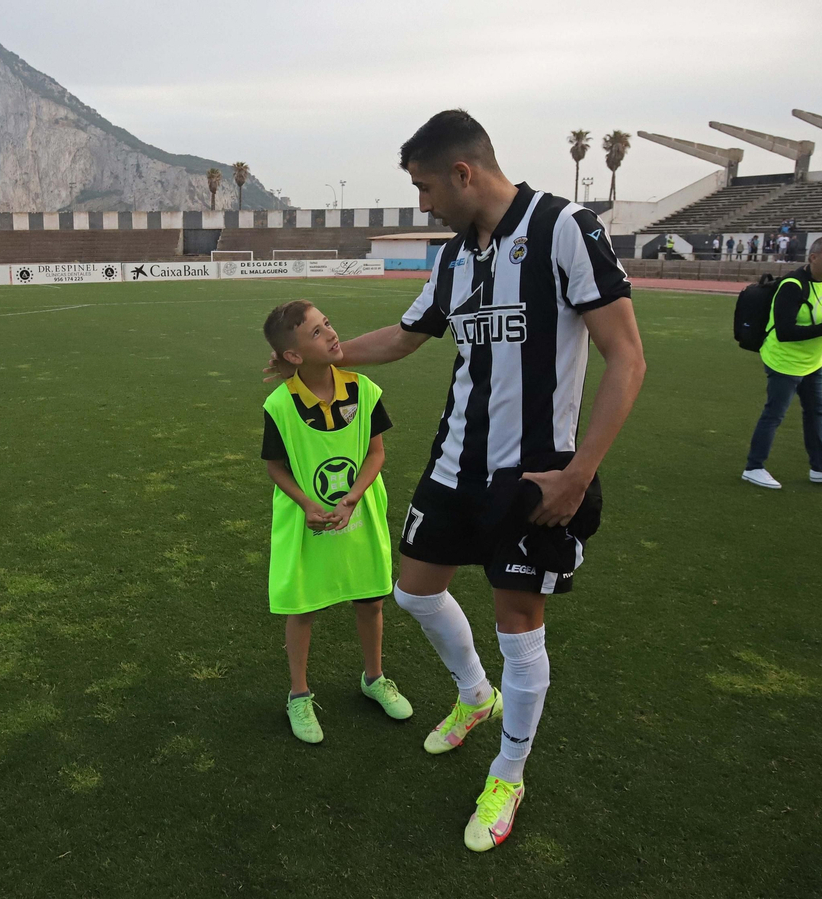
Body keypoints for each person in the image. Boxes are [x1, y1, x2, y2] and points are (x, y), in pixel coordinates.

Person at [268, 109, 645, 852]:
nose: (423, 203)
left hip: (534, 475)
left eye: (425, 187)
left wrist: (578, 475)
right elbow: (406, 338)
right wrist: (320, 359)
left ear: (462, 173)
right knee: (413, 591)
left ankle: (509, 772)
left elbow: (626, 358)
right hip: (454, 464)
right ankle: (475, 695)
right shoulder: (454, 259)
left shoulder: (564, 228)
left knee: (518, 624)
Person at [260, 300, 413, 743]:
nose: (330, 333)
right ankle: (299, 695)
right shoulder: (280, 405)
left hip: (359, 514)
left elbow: (376, 453)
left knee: (370, 601)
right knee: (303, 607)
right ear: (293, 355)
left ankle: (374, 678)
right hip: (307, 521)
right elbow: (275, 467)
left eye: (327, 324)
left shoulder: (364, 390)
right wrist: (307, 504)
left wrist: (352, 498)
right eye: (316, 332)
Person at [741, 236, 822, 489]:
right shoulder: (792, 286)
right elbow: (785, 332)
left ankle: (821, 467)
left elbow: (821, 318)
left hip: (813, 362)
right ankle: (753, 468)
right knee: (774, 414)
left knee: (816, 411)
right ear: (813, 257)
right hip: (784, 361)